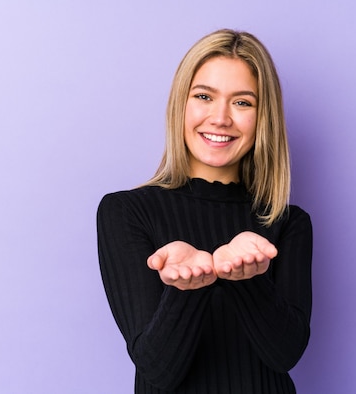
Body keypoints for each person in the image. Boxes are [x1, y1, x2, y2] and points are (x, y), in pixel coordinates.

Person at [97, 28, 313, 394]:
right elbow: (157, 369)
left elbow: (285, 355)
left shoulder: (287, 223)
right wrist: (189, 285)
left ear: (264, 119)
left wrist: (246, 278)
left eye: (242, 102)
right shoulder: (126, 212)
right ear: (181, 103)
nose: (220, 118)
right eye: (204, 96)